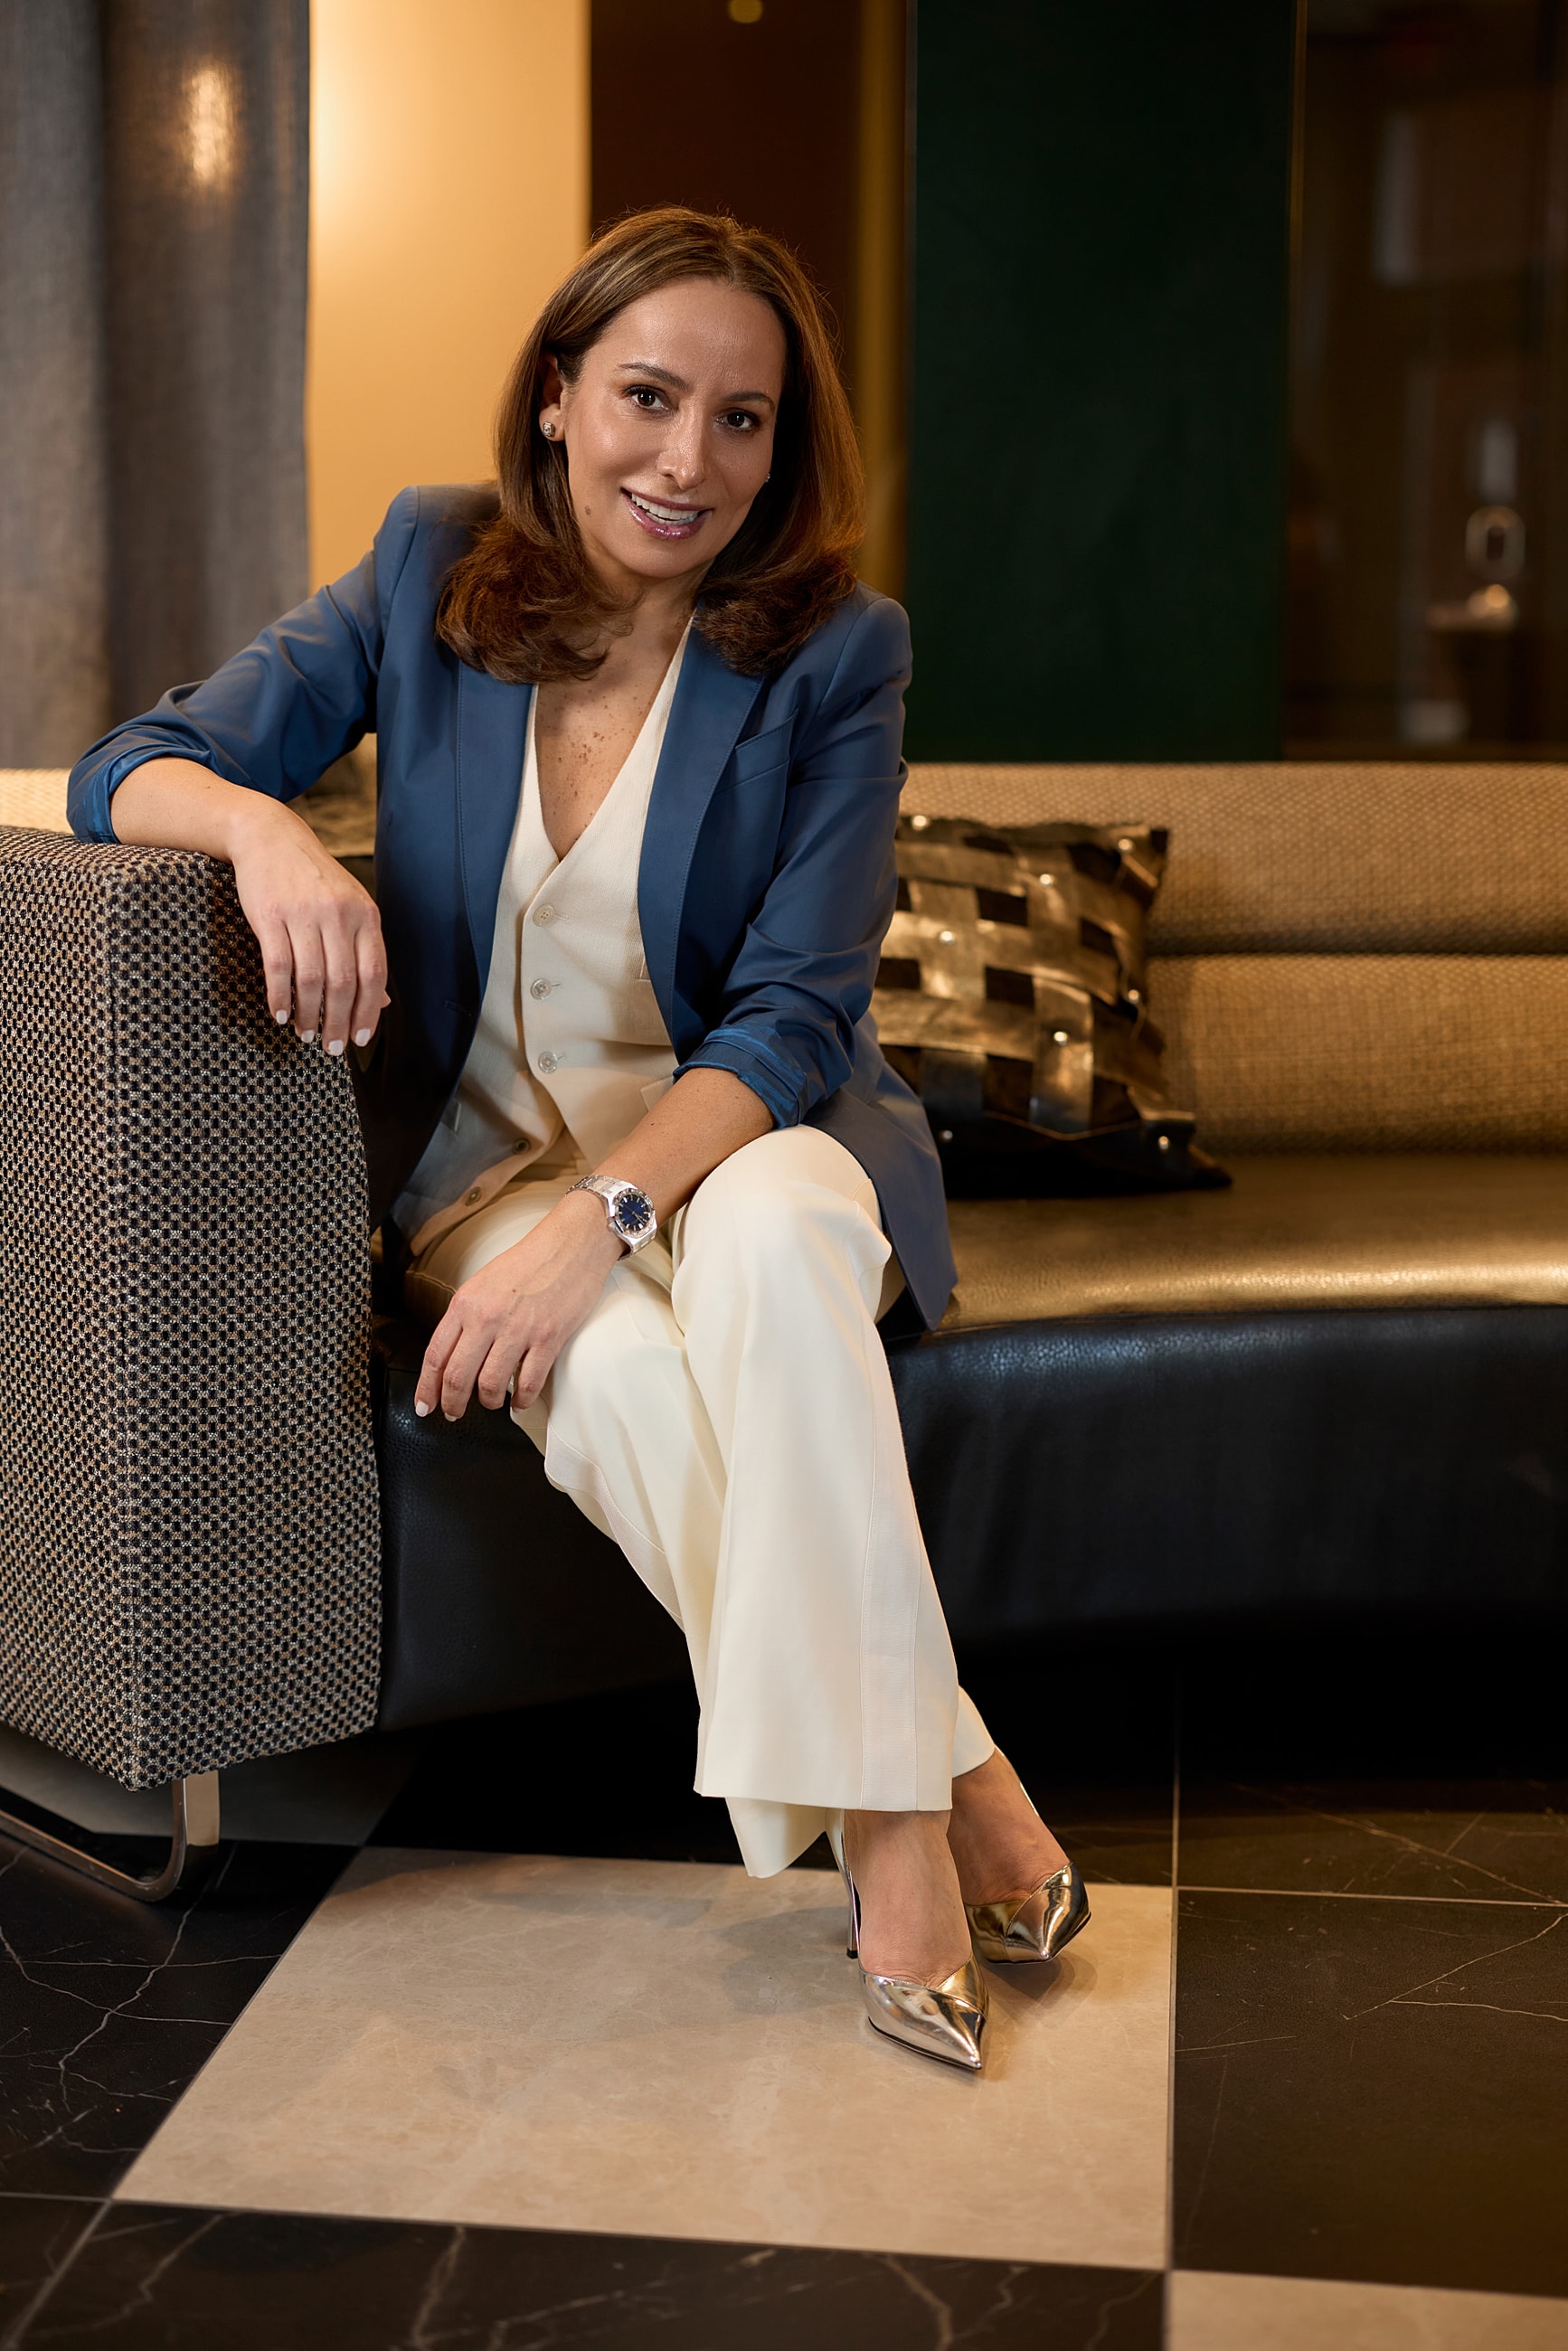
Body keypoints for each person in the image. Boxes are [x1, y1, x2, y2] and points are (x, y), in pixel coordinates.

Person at [69, 206, 1088, 2072]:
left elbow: (791, 1012)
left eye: (742, 419)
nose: (686, 460)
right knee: (614, 1391)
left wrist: (603, 1218)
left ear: (786, 447)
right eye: (644, 396)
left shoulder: (838, 652)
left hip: (744, 1140)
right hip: (487, 1180)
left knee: (780, 1249)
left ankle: (900, 1855)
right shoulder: (427, 570)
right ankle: (945, 1785)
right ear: (555, 398)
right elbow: (128, 759)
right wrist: (273, 833)